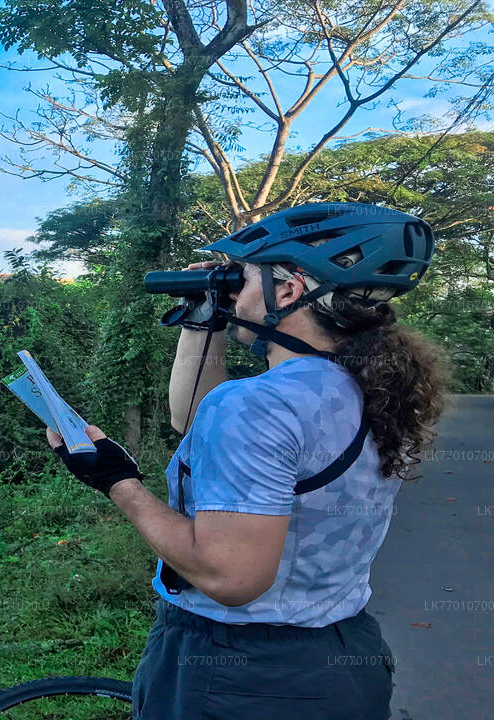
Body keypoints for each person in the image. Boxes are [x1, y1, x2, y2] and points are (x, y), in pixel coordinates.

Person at [47, 203, 449, 719]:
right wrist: (204, 318)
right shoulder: (370, 386)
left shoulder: (256, 402)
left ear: (288, 289)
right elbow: (196, 421)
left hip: (241, 674)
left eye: (243, 279)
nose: (234, 291)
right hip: (344, 657)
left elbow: (231, 578)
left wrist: (117, 482)